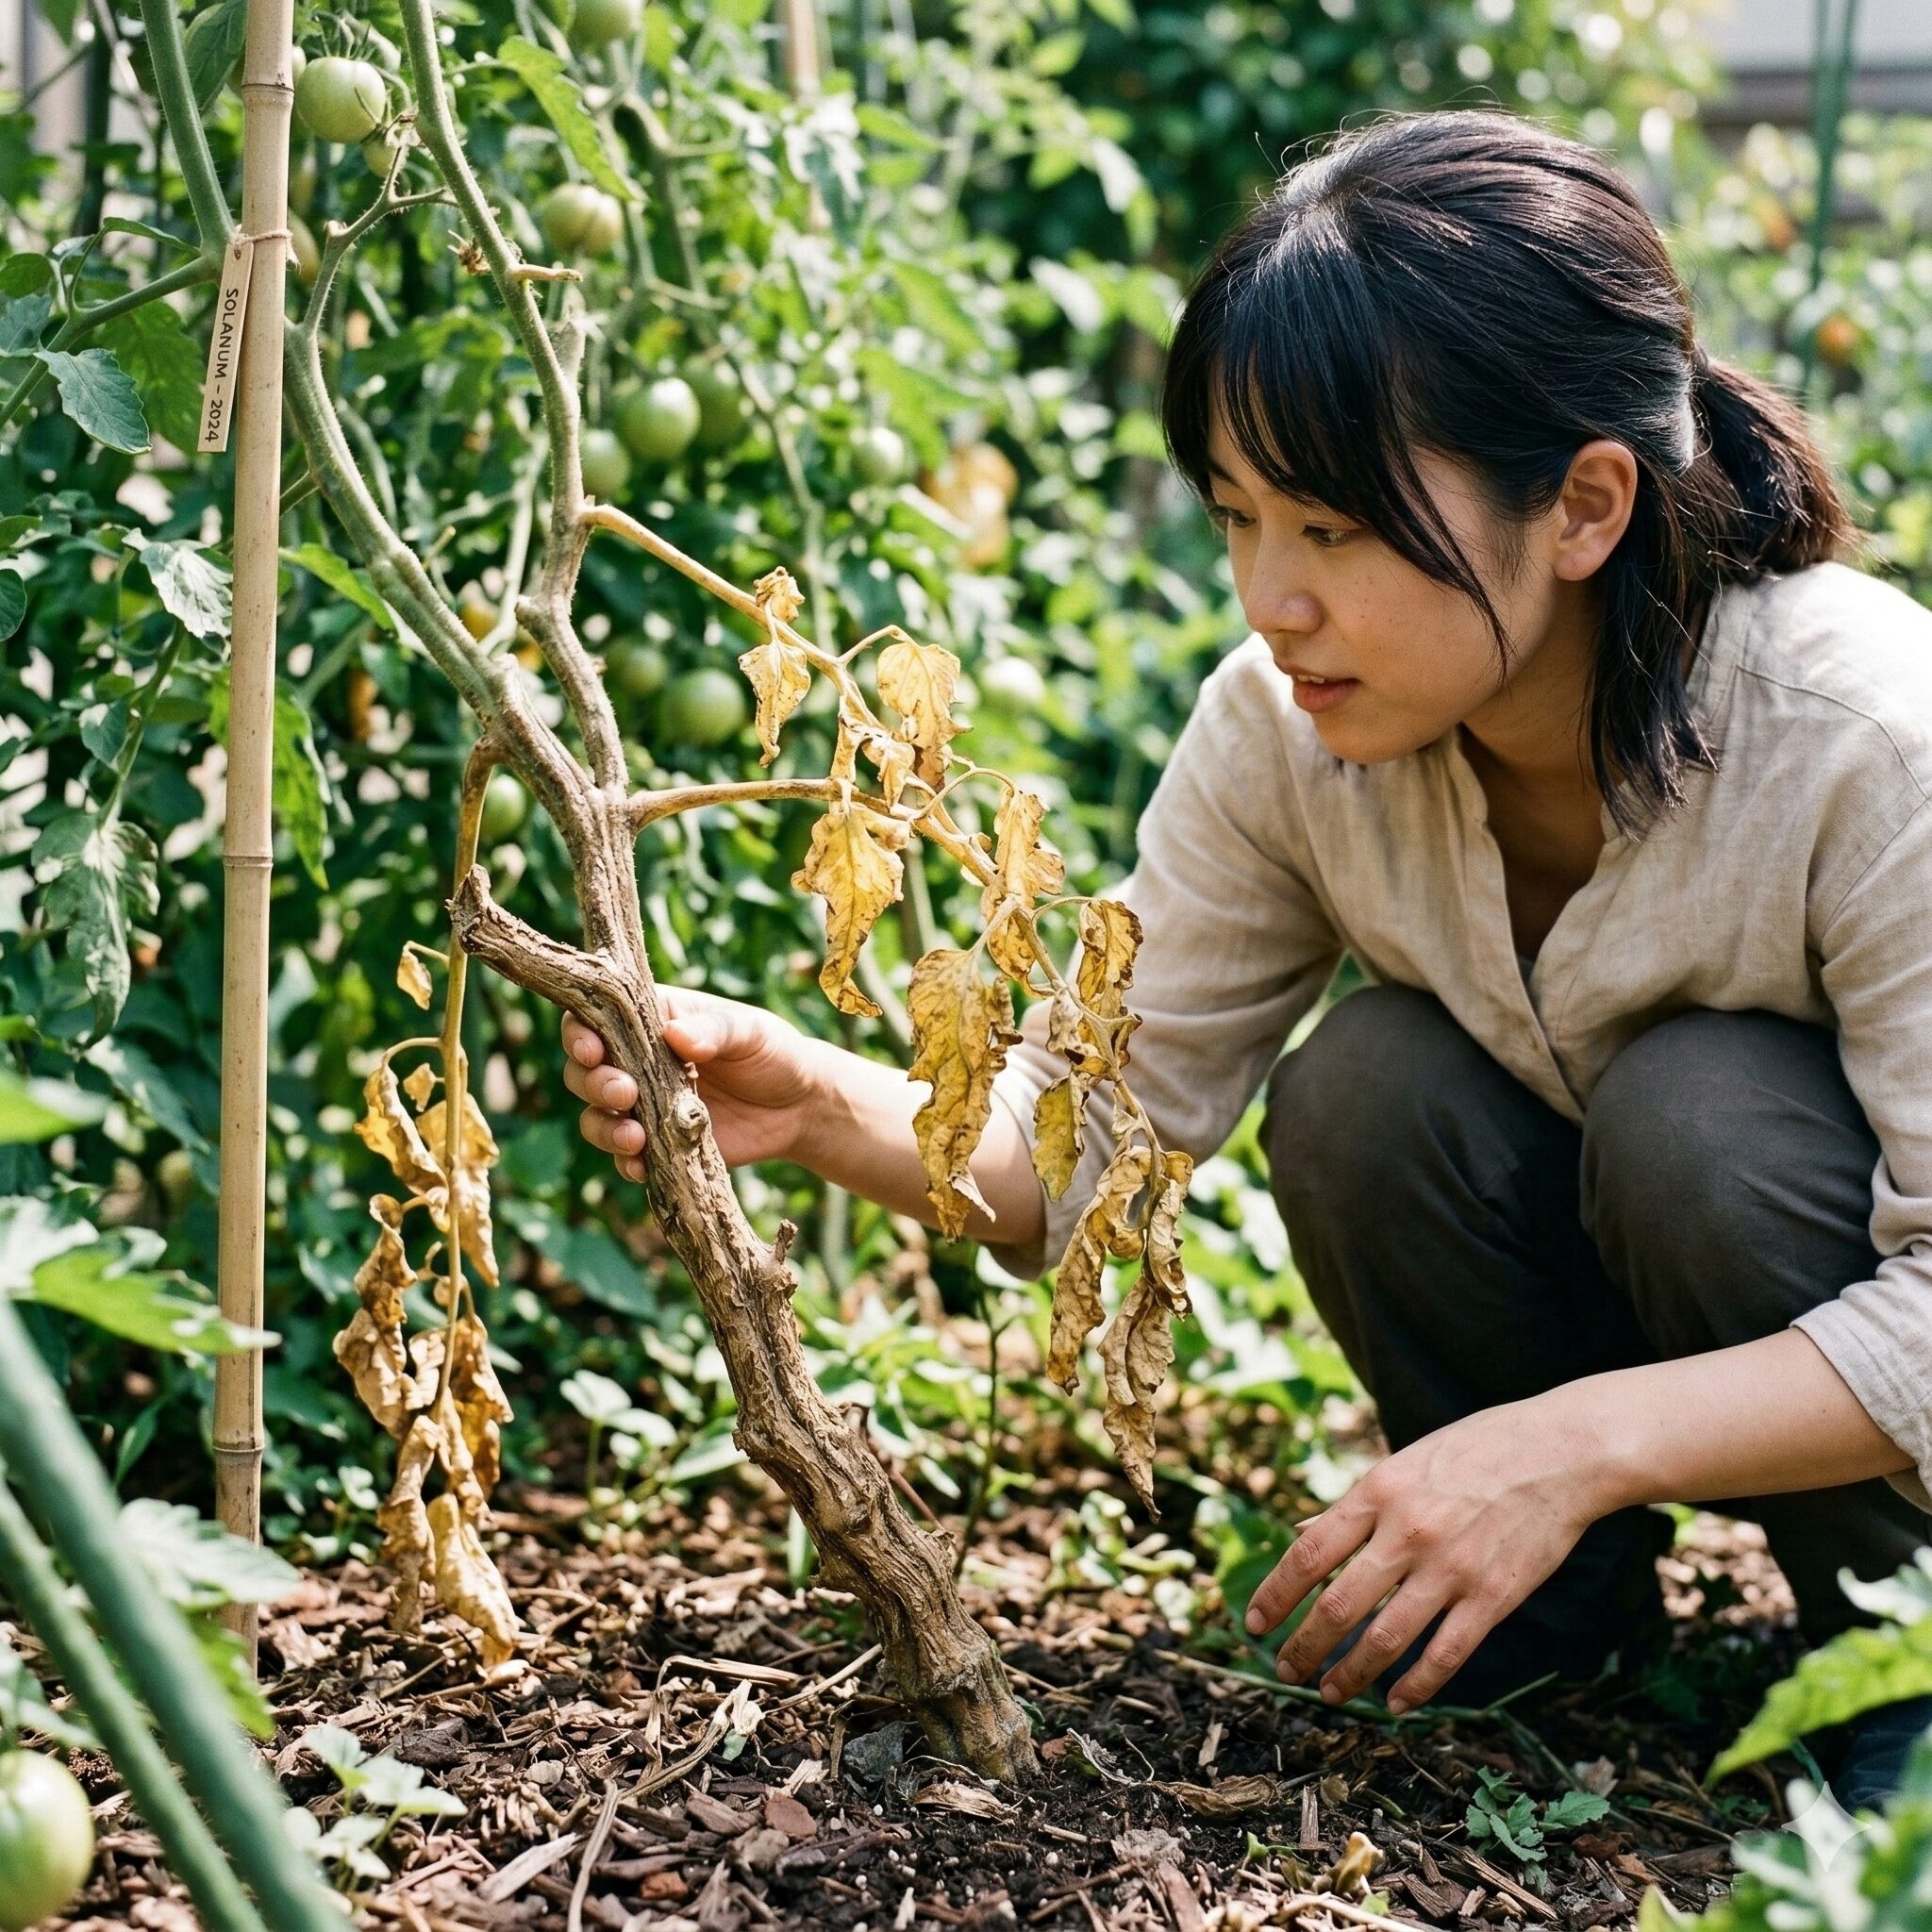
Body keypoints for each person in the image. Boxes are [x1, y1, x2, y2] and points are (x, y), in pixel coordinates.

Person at [560, 112, 1932, 1806]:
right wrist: (817, 1099)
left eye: (1336, 533)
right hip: (1680, 1316)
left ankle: (1903, 1657)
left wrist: (1568, 1445)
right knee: (1370, 1088)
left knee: (1698, 1118)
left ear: (1582, 505)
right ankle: (1546, 1629)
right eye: (1238, 520)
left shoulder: (1864, 736)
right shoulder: (1286, 731)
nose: (1270, 599)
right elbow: (1090, 1131)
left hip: (1837, 1326)